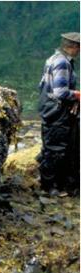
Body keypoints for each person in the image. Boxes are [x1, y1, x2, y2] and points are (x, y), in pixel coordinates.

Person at [37, 32, 80, 196]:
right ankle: (49, 187)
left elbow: (42, 85)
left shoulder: (53, 58)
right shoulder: (62, 63)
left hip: (48, 108)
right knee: (55, 147)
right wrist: (77, 95)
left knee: (51, 144)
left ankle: (52, 182)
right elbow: (61, 92)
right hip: (56, 110)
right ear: (73, 47)